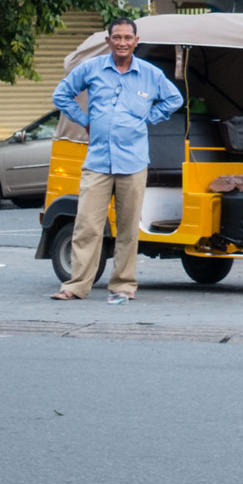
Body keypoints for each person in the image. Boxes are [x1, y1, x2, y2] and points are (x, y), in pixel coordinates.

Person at [48, 18, 183, 303]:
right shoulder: (92, 68)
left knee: (128, 227)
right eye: (117, 37)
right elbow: (61, 94)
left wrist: (149, 118)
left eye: (127, 38)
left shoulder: (150, 74)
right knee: (87, 225)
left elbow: (174, 99)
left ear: (136, 41)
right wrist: (84, 120)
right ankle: (76, 285)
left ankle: (123, 285)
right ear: (108, 41)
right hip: (97, 160)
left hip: (133, 161)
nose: (122, 42)